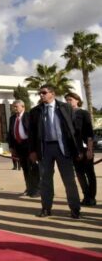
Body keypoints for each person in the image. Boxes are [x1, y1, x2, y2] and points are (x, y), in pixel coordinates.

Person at [29, 84, 81, 219]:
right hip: (45, 149)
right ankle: (46, 208)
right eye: (40, 93)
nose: (41, 95)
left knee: (69, 180)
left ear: (52, 93)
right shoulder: (36, 111)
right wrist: (33, 151)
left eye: (44, 93)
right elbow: (32, 134)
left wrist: (78, 149)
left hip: (63, 148)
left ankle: (75, 209)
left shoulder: (65, 107)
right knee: (45, 180)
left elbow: (74, 130)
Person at [65, 92, 96, 207]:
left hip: (85, 147)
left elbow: (89, 133)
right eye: (67, 100)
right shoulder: (66, 115)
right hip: (74, 149)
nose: (68, 102)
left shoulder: (84, 113)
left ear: (77, 100)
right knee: (79, 173)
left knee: (89, 173)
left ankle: (92, 198)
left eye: (70, 99)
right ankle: (86, 196)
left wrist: (90, 149)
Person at [7, 100, 40, 197]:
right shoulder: (12, 118)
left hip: (29, 145)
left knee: (33, 168)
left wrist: (34, 148)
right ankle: (29, 188)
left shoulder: (28, 116)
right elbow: (10, 133)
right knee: (25, 168)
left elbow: (34, 132)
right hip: (19, 146)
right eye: (13, 107)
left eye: (16, 106)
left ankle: (37, 189)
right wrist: (11, 146)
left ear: (23, 106)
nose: (14, 108)